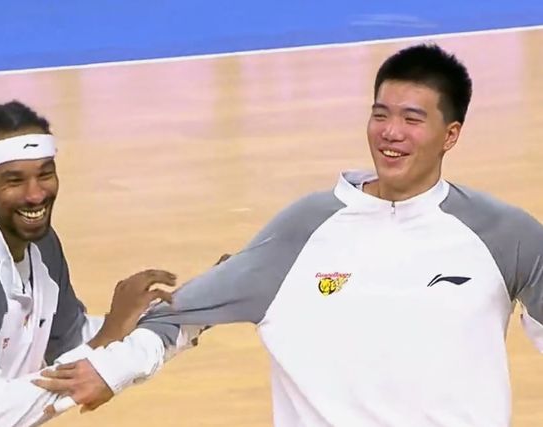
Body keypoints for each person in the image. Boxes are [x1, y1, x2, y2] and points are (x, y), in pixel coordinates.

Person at [37, 43, 543, 426]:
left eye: (412, 119)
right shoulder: (303, 230)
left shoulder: (504, 234)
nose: (391, 132)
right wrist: (113, 368)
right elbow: (184, 313)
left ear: (450, 134)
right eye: (380, 114)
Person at [0, 101, 178, 426]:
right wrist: (107, 340)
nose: (36, 194)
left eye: (45, 174)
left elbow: (67, 345)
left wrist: (177, 311)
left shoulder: (39, 243)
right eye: (14, 181)